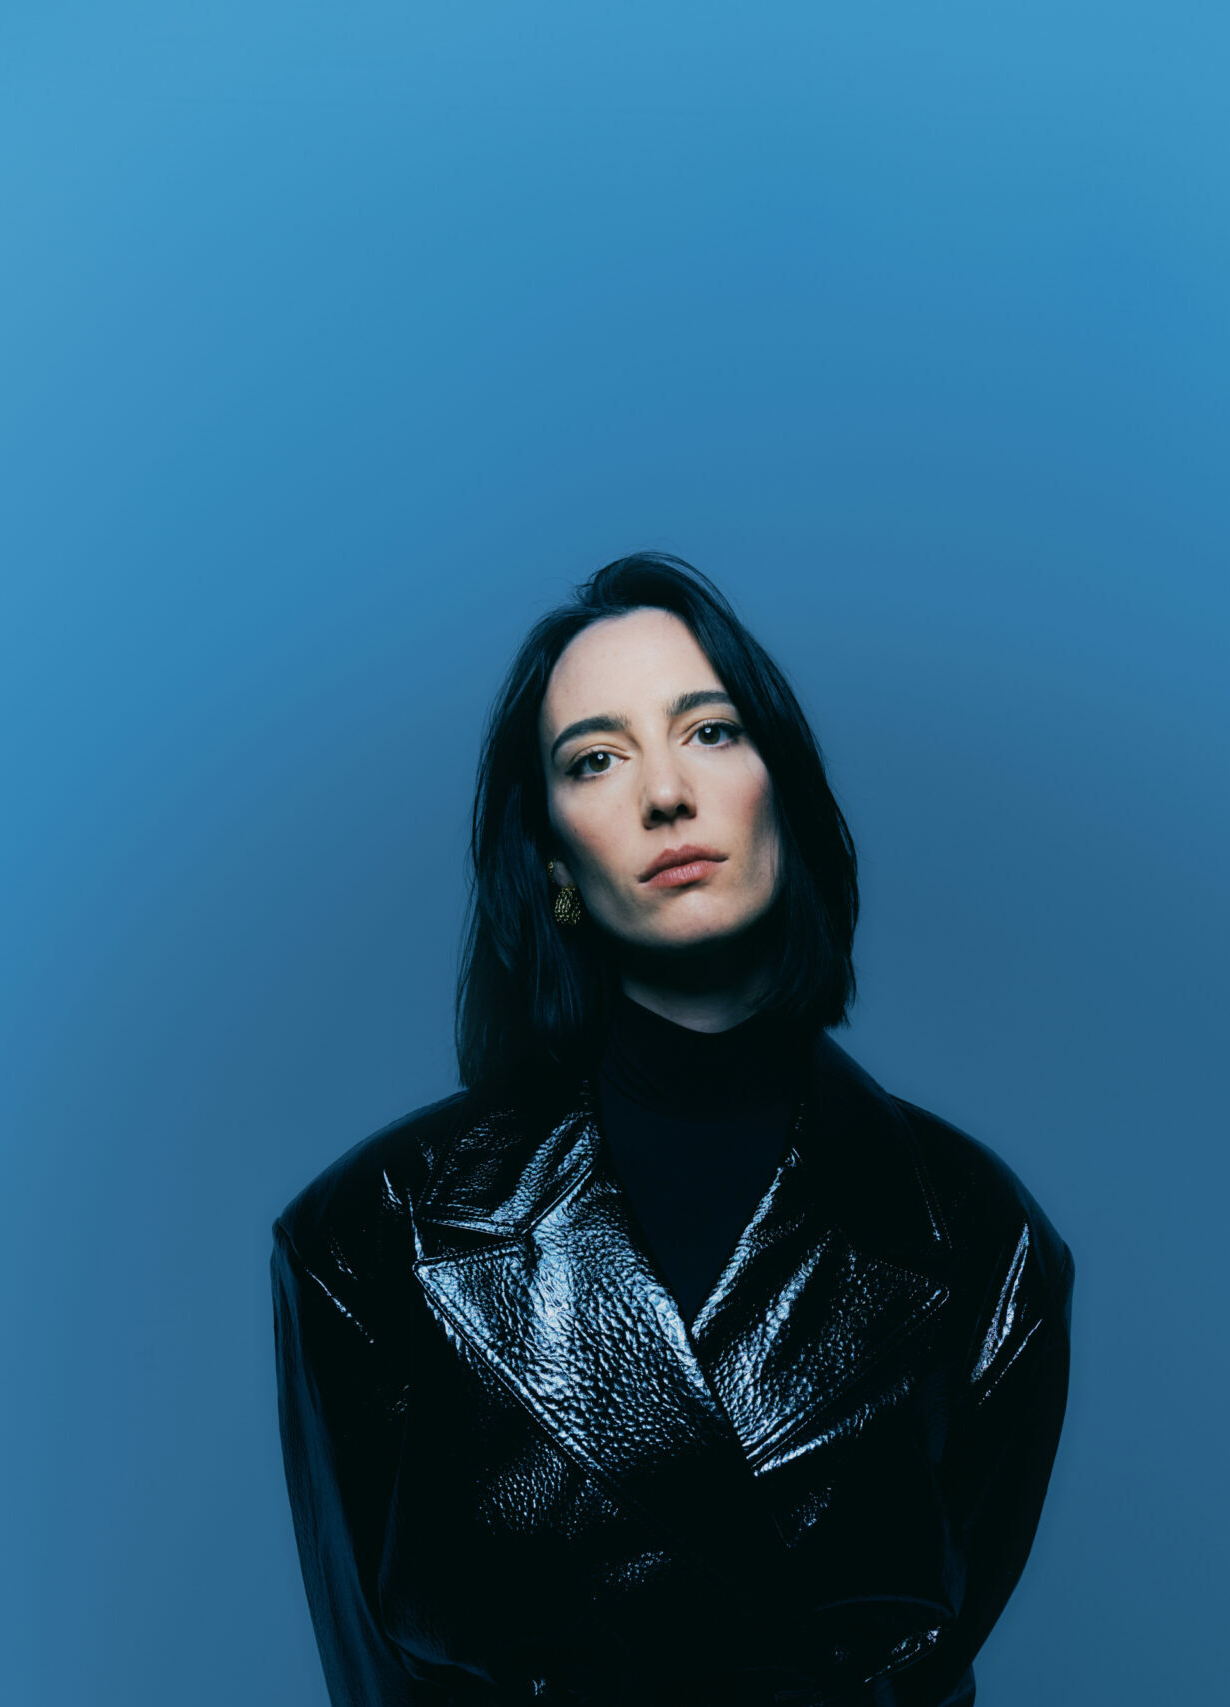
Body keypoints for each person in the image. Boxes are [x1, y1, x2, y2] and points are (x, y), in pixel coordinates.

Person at [271, 554, 1074, 1707]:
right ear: (553, 857)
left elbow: (934, 1663)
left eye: (709, 731)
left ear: (781, 789)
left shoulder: (980, 1241)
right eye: (595, 759)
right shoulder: (368, 1238)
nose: (665, 793)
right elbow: (373, 1684)